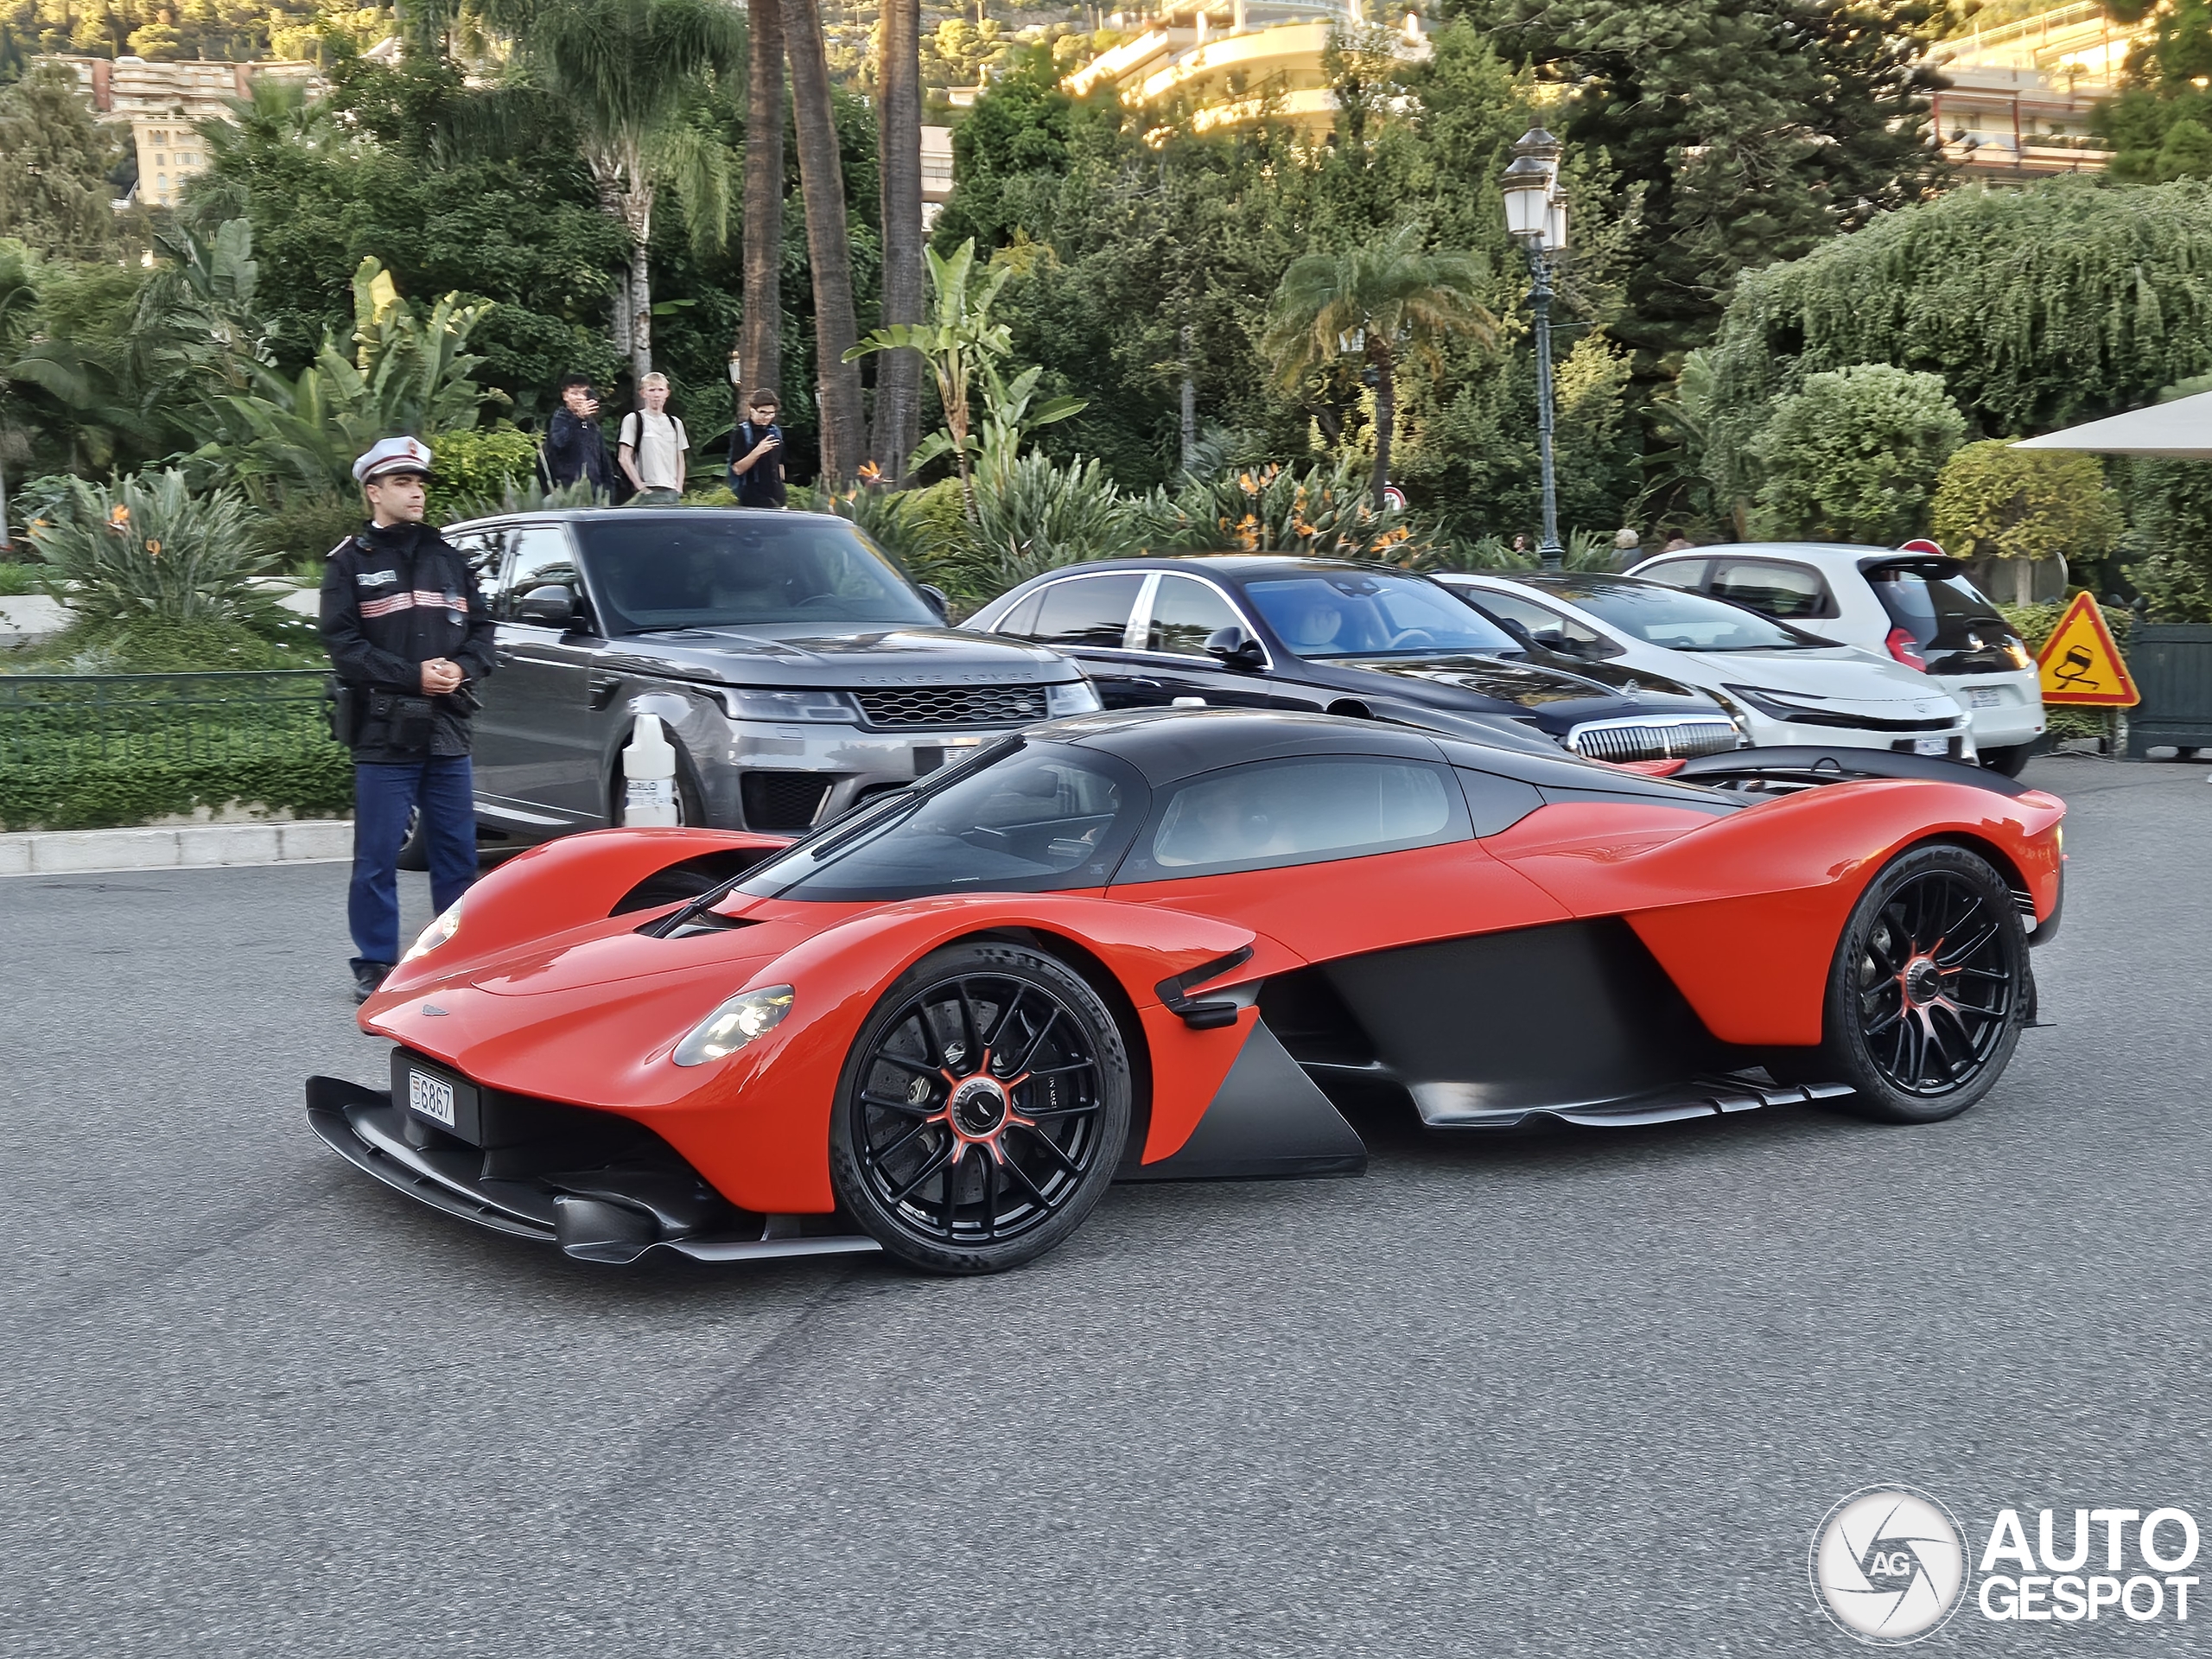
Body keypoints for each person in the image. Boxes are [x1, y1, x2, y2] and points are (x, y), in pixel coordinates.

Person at [321, 436, 497, 1004]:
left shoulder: (450, 558)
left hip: (447, 726)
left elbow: (483, 632)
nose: (416, 491)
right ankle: (375, 962)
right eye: (402, 482)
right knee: (376, 857)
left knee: (455, 856)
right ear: (373, 491)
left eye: (419, 482)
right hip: (383, 731)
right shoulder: (349, 564)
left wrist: (461, 668)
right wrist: (412, 675)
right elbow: (344, 646)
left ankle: (453, 956)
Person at [618, 372, 690, 505]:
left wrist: (679, 487)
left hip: (671, 491)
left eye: (660, 390)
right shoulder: (634, 420)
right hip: (646, 490)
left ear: (667, 393)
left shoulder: (675, 423)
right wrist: (641, 488)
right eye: (651, 390)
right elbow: (624, 457)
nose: (656, 395)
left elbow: (680, 459)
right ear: (643, 393)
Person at [543, 375, 616, 496]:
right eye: (575, 393)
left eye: (584, 393)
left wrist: (609, 491)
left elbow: (603, 460)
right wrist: (578, 418)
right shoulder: (560, 418)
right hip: (568, 492)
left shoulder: (592, 425)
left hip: (595, 492)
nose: (581, 398)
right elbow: (559, 443)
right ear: (565, 396)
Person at [729, 391, 786, 509]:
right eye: (762, 412)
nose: (767, 417)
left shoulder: (775, 431)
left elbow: (780, 463)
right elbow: (737, 469)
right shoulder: (742, 432)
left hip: (776, 495)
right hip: (752, 496)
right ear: (751, 410)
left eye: (771, 413)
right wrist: (758, 451)